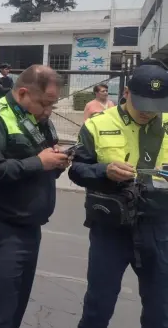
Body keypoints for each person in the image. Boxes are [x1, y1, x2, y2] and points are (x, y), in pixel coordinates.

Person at [0, 65, 70, 328]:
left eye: (52, 105)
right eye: (45, 103)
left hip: (29, 228)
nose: (48, 111)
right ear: (23, 93)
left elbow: (37, 167)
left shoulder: (37, 118)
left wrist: (55, 163)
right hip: (0, 230)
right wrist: (39, 163)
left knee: (15, 311)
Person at [69, 60, 168, 328]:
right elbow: (77, 169)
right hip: (111, 229)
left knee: (161, 311)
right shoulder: (97, 125)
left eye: (156, 105)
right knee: (97, 308)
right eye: (142, 103)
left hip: (159, 229)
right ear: (126, 93)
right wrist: (104, 171)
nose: (149, 111)